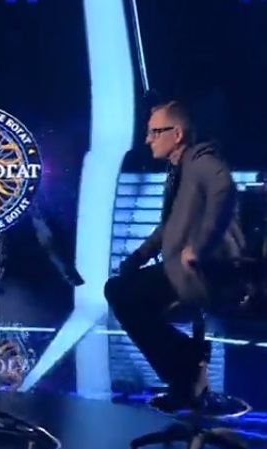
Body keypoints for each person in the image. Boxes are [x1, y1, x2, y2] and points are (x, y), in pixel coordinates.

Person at [104, 101, 244, 407]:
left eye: (155, 132)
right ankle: (186, 372)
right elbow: (168, 227)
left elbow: (224, 192)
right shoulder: (178, 169)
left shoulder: (201, 161)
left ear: (177, 134)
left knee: (125, 295)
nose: (148, 140)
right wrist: (138, 257)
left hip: (211, 270)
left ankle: (187, 365)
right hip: (183, 268)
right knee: (119, 288)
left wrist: (200, 247)